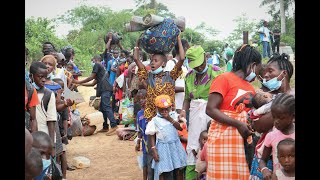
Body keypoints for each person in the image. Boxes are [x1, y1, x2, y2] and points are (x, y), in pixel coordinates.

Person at [205, 44, 262, 179]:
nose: (257, 73)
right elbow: (210, 109)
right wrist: (238, 124)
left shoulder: (251, 88)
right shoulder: (223, 79)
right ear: (253, 65)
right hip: (222, 141)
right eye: (258, 68)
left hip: (242, 144)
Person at [178, 45, 222, 180]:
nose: (199, 67)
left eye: (201, 63)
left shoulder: (217, 73)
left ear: (205, 57)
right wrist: (183, 111)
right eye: (196, 65)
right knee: (193, 149)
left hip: (212, 117)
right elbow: (186, 99)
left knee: (210, 149)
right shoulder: (189, 76)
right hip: (195, 119)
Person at [250, 53, 294, 180]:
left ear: (284, 74)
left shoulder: (291, 96)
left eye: (270, 71)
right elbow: (257, 126)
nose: (266, 75)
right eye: (265, 72)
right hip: (267, 157)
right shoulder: (265, 99)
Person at [133, 34, 185, 121]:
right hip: (152, 115)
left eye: (156, 61)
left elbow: (182, 59)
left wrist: (178, 40)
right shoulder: (148, 76)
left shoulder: (171, 75)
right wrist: (137, 44)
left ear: (163, 64)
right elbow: (136, 59)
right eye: (151, 61)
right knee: (151, 134)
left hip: (168, 115)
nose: (152, 63)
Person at [72, 55, 118, 135]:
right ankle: (105, 127)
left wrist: (79, 82)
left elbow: (91, 77)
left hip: (105, 89)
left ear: (95, 59)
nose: (92, 62)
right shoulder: (101, 70)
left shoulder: (97, 65)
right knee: (102, 108)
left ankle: (114, 126)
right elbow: (93, 83)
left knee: (106, 107)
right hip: (105, 89)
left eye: (92, 60)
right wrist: (81, 84)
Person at [145, 95, 187, 180]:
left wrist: (169, 118)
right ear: (157, 108)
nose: (164, 111)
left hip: (175, 147)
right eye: (161, 109)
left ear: (170, 107)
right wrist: (153, 150)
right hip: (163, 149)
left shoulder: (174, 116)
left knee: (178, 168)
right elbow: (152, 136)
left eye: (166, 109)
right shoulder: (155, 121)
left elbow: (180, 128)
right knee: (165, 171)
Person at [259, 94, 295, 179]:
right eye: (274, 117)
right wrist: (264, 170)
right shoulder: (271, 136)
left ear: (293, 116)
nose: (276, 121)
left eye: (281, 118)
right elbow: (263, 160)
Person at [29, 61, 57, 156]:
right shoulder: (28, 93)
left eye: (45, 77)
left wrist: (51, 144)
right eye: (40, 77)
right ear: (31, 76)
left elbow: (51, 120)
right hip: (28, 137)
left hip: (43, 139)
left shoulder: (48, 94)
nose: (44, 80)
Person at [164, 38, 190, 114]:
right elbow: (167, 86)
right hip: (176, 105)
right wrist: (186, 89)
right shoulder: (171, 64)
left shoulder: (185, 66)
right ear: (185, 48)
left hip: (183, 105)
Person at [135, 89, 153, 180]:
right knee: (144, 164)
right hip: (144, 144)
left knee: (150, 165)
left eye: (144, 98)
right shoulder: (139, 114)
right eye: (140, 100)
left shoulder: (152, 112)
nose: (142, 101)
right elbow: (139, 130)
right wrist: (138, 142)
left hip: (152, 143)